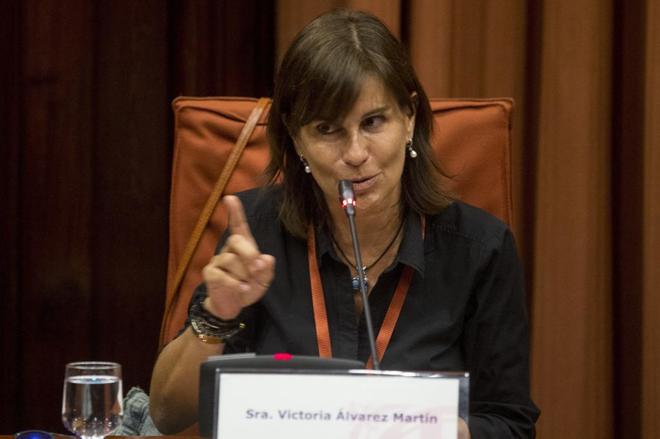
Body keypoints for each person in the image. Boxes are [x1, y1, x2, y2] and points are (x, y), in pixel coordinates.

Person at [150, 8, 539, 438]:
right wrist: (217, 314)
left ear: (409, 118)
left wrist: (441, 431)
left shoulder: (480, 248)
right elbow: (168, 416)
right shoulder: (256, 234)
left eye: (373, 122)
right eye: (327, 129)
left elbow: (510, 424)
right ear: (297, 139)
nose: (355, 154)